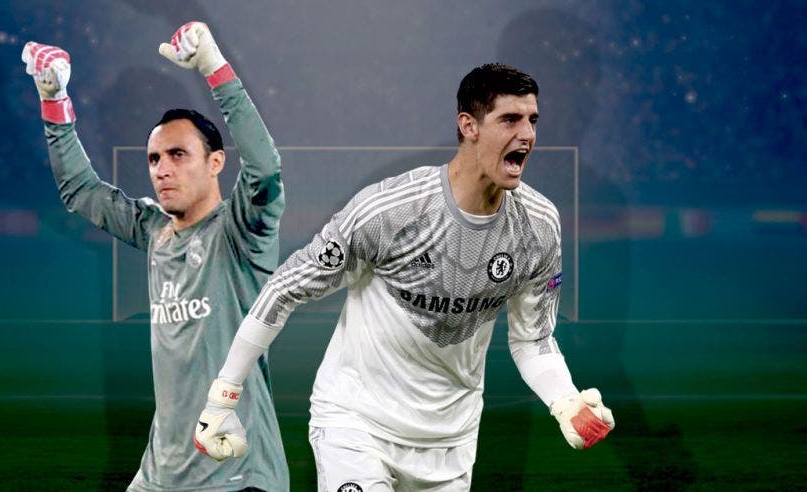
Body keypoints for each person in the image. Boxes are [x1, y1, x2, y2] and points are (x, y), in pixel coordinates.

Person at [194, 63, 615, 490]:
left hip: (450, 443)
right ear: (468, 126)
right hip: (357, 424)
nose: (527, 135)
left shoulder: (539, 226)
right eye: (510, 119)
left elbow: (532, 339)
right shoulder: (391, 211)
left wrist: (565, 402)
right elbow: (284, 290)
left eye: (533, 120)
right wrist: (222, 397)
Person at [21, 21, 289, 492]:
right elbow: (80, 190)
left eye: (178, 154)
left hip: (236, 477)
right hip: (160, 475)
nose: (162, 169)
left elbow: (265, 167)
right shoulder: (155, 231)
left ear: (216, 162)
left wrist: (212, 67)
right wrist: (53, 100)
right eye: (154, 159)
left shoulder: (241, 230)